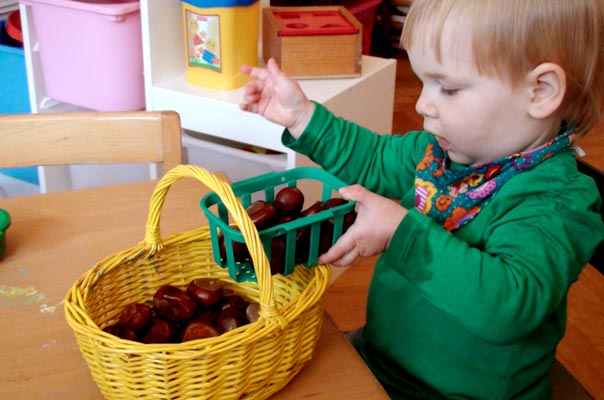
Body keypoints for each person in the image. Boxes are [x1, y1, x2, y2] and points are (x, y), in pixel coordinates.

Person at [239, 0, 604, 398]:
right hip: (384, 362)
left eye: (447, 88)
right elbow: (374, 158)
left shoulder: (555, 201)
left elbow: (509, 305)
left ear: (540, 91)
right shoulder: (434, 156)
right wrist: (303, 117)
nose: (421, 104)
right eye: (424, 83)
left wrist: (401, 233)